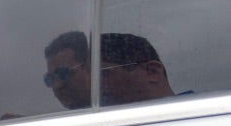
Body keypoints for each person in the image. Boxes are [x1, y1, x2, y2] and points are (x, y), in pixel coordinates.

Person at [42, 30, 176, 109]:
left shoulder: (194, 119)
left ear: (152, 71)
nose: (91, 84)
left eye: (99, 75)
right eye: (49, 79)